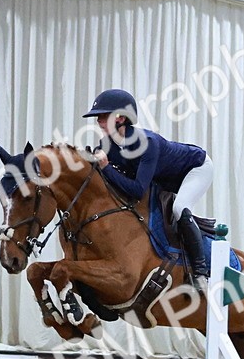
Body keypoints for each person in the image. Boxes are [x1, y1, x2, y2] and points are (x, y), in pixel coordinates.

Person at [83, 89, 214, 287]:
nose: (99, 121)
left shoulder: (147, 143)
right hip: (163, 178)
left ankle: (201, 272)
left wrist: (106, 167)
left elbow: (136, 189)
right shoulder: (106, 144)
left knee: (179, 209)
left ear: (120, 118)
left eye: (103, 116)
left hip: (195, 168)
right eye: (98, 117)